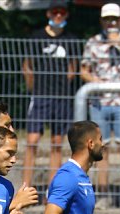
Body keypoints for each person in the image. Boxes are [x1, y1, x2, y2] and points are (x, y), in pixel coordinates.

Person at [80, 2, 120, 212]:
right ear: (102, 21)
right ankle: (103, 195)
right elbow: (84, 70)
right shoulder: (93, 42)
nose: (111, 23)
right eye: (107, 20)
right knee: (100, 150)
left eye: (114, 19)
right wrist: (94, 81)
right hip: (100, 102)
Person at [21, 0, 77, 190]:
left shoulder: (71, 39)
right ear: (48, 14)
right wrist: (33, 88)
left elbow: (73, 69)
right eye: (55, 12)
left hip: (61, 97)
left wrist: (62, 86)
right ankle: (26, 186)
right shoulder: (36, 37)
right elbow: (27, 66)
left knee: (57, 142)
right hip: (40, 95)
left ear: (67, 15)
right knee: (32, 140)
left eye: (62, 13)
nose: (58, 16)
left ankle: (52, 190)